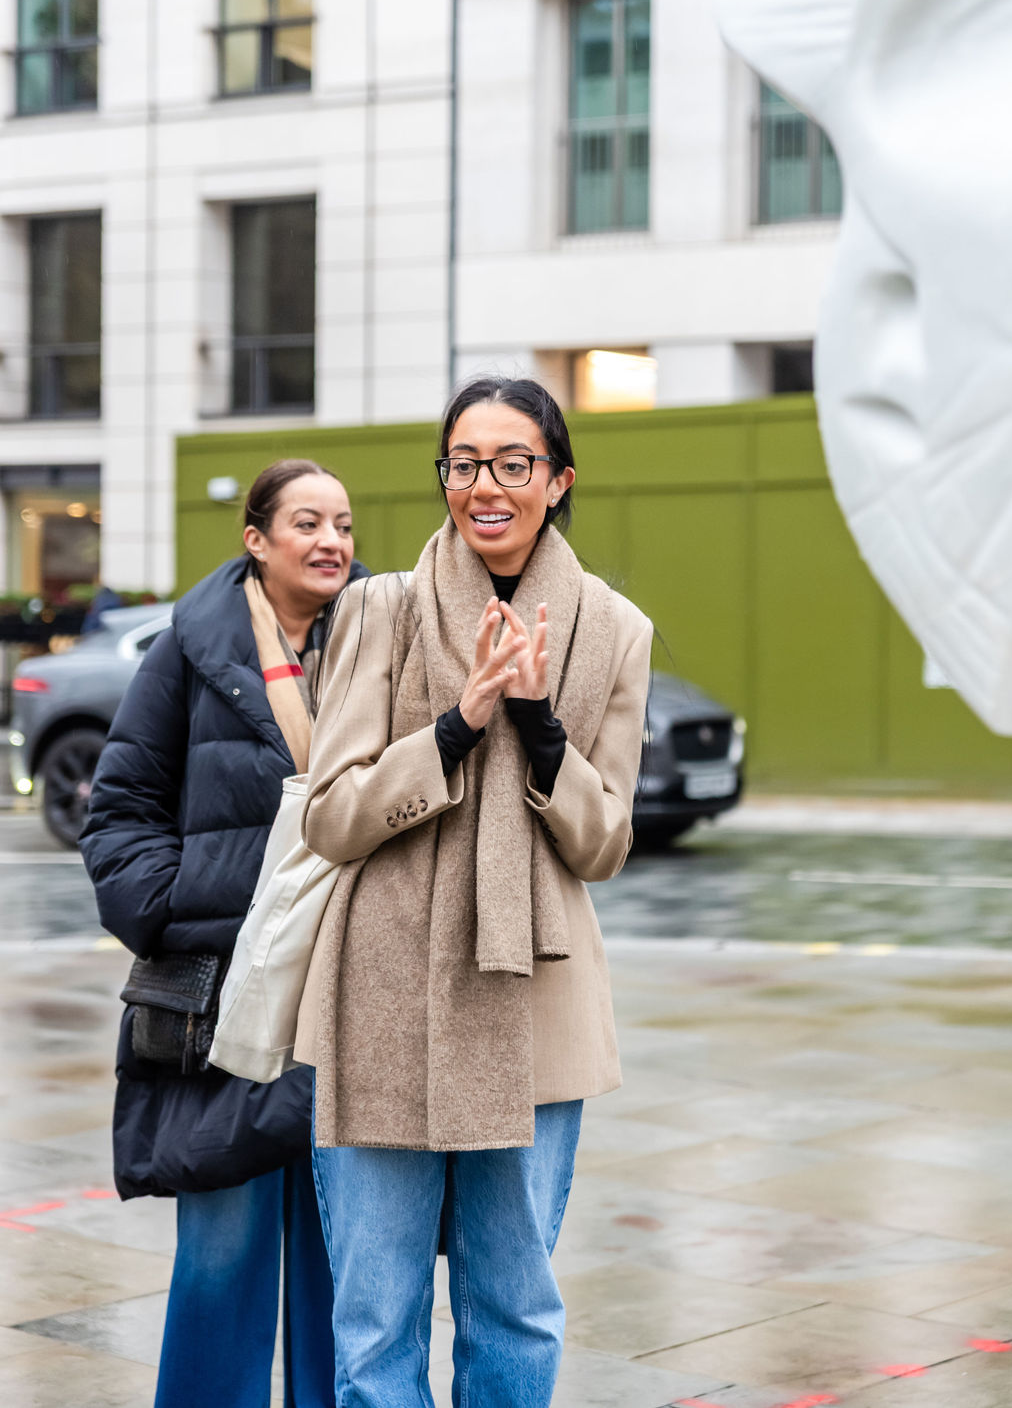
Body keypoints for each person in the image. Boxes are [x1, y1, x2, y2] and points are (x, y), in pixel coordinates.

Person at [297, 379, 653, 1407]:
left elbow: (604, 844)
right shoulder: (380, 609)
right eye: (463, 462)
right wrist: (456, 726)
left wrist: (540, 729)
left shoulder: (613, 630)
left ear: (557, 479)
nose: (483, 486)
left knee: (515, 1307)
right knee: (374, 1320)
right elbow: (331, 816)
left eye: (511, 462)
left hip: (530, 1006)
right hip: (382, 996)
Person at [81, 459, 367, 1408]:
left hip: (346, 991)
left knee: (348, 1252)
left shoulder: (378, 639)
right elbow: (118, 808)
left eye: (344, 525)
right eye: (308, 523)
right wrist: (174, 906)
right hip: (220, 998)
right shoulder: (187, 650)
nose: (332, 542)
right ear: (256, 539)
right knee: (223, 1244)